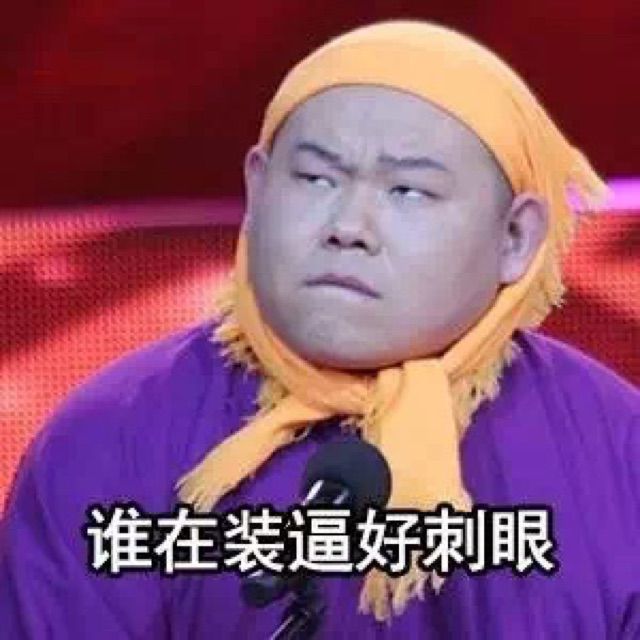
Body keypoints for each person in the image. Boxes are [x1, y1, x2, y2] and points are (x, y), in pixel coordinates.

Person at [1, 19, 639, 639]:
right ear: (257, 190)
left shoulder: (614, 448)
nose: (348, 226)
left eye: (409, 191)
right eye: (315, 178)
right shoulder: (110, 436)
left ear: (516, 237)